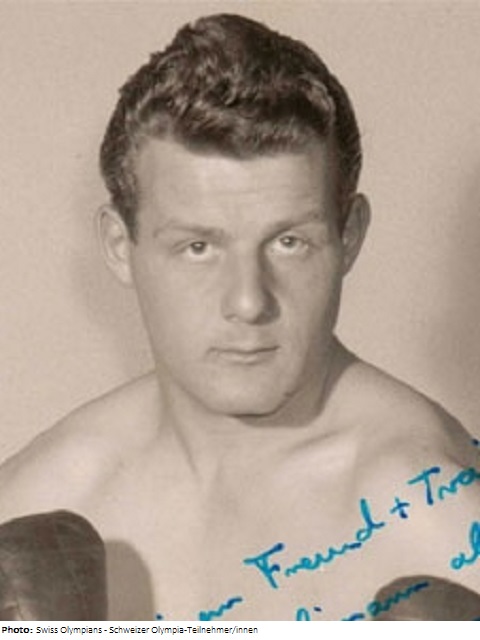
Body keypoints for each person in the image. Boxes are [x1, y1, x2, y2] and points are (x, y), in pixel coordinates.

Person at [0, 13, 478, 621]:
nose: (249, 301)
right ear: (120, 246)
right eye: (198, 247)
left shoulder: (437, 516)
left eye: (288, 243)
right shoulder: (37, 496)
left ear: (349, 236)